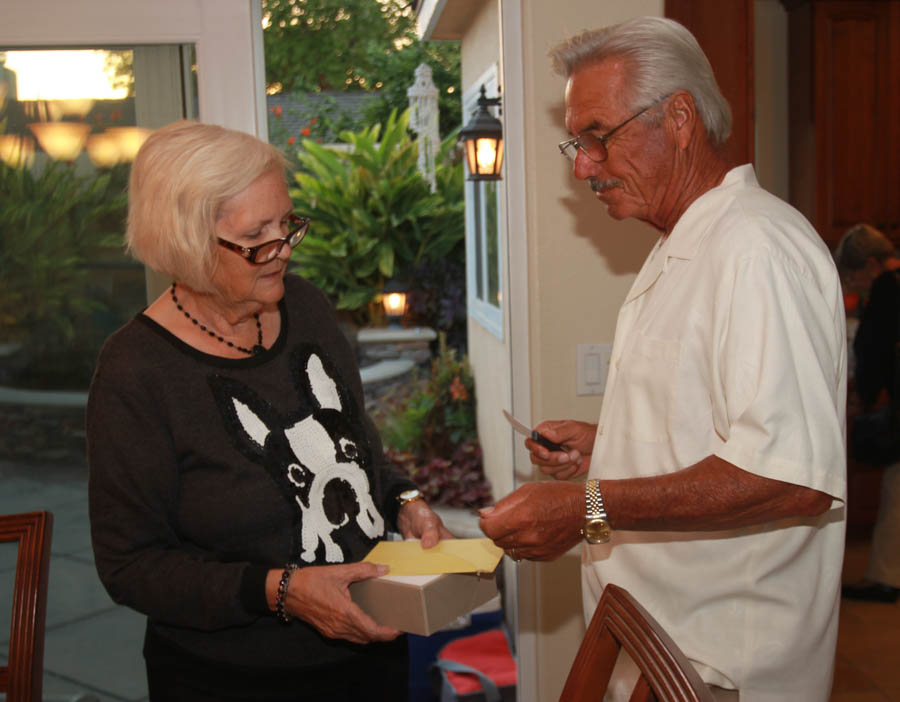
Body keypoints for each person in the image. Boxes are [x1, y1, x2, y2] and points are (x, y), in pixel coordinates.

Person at [478, 17, 846, 702]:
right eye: (576, 142)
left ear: (678, 118)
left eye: (598, 137)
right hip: (658, 652)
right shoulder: (683, 246)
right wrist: (608, 450)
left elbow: (792, 478)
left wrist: (581, 504)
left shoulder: (755, 250)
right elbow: (719, 431)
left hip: (717, 669)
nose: (583, 165)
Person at [86, 120, 452, 702]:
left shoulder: (305, 306)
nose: (282, 249)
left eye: (287, 224)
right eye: (257, 236)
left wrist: (403, 499)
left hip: (370, 654)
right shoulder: (137, 370)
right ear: (187, 241)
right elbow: (130, 567)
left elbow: (360, 447)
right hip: (234, 680)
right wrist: (281, 590)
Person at [834, 223, 900, 603]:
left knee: (895, 489)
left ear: (871, 265)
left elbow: (874, 349)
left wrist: (866, 396)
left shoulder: (888, 288)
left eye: (855, 275)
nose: (854, 284)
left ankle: (886, 577)